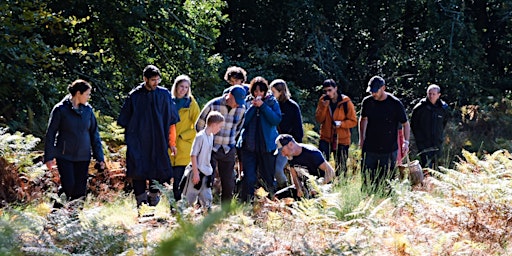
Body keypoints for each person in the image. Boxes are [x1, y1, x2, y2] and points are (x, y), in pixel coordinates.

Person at [117, 65, 179, 208]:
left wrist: (172, 142)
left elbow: (172, 121)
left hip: (158, 140)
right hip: (138, 142)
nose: (156, 83)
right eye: (152, 80)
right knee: (138, 171)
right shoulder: (135, 96)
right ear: (145, 79)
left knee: (159, 171)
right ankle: (141, 205)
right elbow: (124, 120)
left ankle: (153, 198)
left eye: (158, 80)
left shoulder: (164, 95)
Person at [44, 79, 105, 203]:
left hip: (83, 156)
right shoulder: (60, 109)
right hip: (64, 155)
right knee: (69, 186)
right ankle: (59, 206)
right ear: (78, 93)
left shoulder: (88, 111)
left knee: (80, 190)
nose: (89, 97)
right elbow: (51, 133)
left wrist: (100, 157)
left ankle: (74, 218)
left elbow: (95, 134)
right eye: (87, 94)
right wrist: (49, 157)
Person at [358, 75, 410, 194]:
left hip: (388, 149)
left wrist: (406, 143)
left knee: (387, 181)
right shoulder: (367, 102)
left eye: (375, 91)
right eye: (371, 91)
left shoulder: (395, 104)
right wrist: (361, 139)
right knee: (367, 179)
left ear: (383, 88)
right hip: (370, 148)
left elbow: (405, 124)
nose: (373, 94)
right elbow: (363, 119)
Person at [195, 85, 246, 203]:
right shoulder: (213, 105)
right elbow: (199, 125)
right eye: (236, 101)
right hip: (211, 148)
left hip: (229, 148)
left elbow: (238, 128)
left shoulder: (242, 109)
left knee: (229, 182)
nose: (238, 104)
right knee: (207, 179)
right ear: (230, 96)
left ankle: (225, 210)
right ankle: (203, 206)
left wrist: (231, 139)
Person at [237, 76, 281, 202]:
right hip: (249, 146)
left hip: (267, 146)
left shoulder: (272, 102)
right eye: (255, 91)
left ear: (265, 91)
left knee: (267, 177)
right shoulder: (246, 102)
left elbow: (275, 120)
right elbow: (242, 122)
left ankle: (269, 202)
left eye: (261, 91)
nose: (258, 94)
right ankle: (247, 202)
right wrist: (253, 107)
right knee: (249, 177)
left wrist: (263, 107)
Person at [182, 111, 225, 212]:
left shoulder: (210, 136)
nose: (220, 129)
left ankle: (208, 216)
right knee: (189, 198)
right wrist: (196, 173)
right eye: (219, 126)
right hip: (196, 173)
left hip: (206, 173)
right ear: (214, 125)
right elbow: (193, 155)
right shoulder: (200, 137)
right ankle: (181, 217)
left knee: (207, 197)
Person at [315, 79, 357, 176]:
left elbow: (353, 121)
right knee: (321, 165)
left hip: (341, 140)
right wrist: (324, 107)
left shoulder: (346, 102)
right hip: (325, 138)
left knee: (341, 168)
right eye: (325, 91)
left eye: (330, 90)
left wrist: (341, 124)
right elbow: (319, 119)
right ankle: (322, 185)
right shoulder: (323, 100)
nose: (328, 93)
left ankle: (341, 186)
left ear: (336, 89)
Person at [169, 75, 200, 202]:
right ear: (176, 86)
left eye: (186, 87)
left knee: (179, 180)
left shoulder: (191, 103)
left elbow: (199, 125)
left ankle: (177, 206)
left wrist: (184, 136)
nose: (183, 90)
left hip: (184, 147)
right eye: (181, 86)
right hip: (168, 146)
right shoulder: (168, 100)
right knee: (164, 180)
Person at [275, 134, 335, 198]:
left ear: (291, 145)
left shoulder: (312, 153)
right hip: (305, 187)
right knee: (277, 196)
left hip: (321, 187)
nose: (283, 155)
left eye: (283, 151)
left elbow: (331, 172)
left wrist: (318, 187)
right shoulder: (290, 156)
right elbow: (294, 176)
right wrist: (299, 188)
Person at [270, 79, 304, 188]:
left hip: (287, 144)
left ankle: (284, 189)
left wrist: (296, 147)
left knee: (278, 170)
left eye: (273, 92)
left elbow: (298, 128)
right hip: (271, 142)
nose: (271, 94)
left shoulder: (292, 106)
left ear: (281, 92)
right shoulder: (271, 104)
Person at [411, 84, 448, 169]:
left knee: (435, 166)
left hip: (437, 142)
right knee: (426, 165)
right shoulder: (420, 107)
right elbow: (414, 124)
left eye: (433, 94)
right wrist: (419, 139)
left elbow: (444, 123)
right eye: (429, 93)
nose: (431, 96)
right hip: (424, 143)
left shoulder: (443, 108)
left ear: (439, 95)